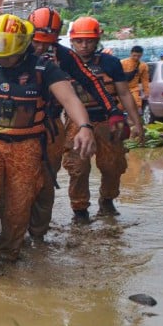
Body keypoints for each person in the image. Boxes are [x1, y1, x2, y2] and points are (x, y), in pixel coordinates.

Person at [0, 14, 96, 279]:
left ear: (23, 45)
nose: (3, 60)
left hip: (28, 146)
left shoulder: (44, 69)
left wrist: (84, 126)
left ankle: (10, 252)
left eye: (9, 55)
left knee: (17, 207)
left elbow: (69, 99)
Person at [25, 7, 122, 242]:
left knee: (48, 179)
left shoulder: (62, 57)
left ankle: (39, 235)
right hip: (16, 128)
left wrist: (113, 110)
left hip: (49, 125)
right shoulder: (12, 51)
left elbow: (90, 82)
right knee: (22, 179)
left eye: (46, 44)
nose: (40, 49)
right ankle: (15, 228)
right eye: (36, 42)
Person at [64, 17, 144, 224]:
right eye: (79, 41)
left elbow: (124, 94)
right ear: (72, 41)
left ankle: (107, 200)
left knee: (112, 165)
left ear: (97, 40)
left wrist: (137, 123)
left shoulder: (110, 63)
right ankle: (80, 210)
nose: (84, 46)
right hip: (77, 124)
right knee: (78, 168)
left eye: (89, 41)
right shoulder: (64, 63)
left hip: (108, 122)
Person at [119, 45, 151, 113]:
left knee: (136, 104)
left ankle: (133, 121)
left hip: (134, 88)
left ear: (141, 55)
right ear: (130, 53)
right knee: (122, 105)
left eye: (138, 56)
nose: (136, 58)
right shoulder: (122, 63)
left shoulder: (143, 66)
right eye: (134, 55)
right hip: (121, 89)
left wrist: (146, 92)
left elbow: (145, 80)